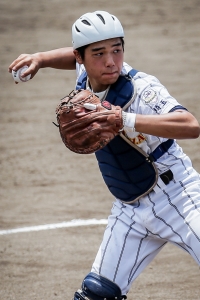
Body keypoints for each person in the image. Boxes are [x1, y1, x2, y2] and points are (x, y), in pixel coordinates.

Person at [9, 10, 200, 300]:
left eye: (117, 50)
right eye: (98, 53)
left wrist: (124, 119)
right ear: (81, 58)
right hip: (130, 207)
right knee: (96, 295)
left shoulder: (142, 89)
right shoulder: (85, 77)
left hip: (179, 197)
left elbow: (190, 125)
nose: (110, 61)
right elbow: (71, 57)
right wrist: (41, 59)